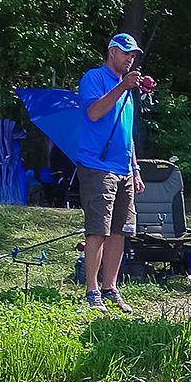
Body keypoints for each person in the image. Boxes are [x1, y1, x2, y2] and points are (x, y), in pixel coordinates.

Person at [77, 32, 155, 312]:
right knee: (98, 229)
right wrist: (122, 87)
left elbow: (127, 133)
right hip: (98, 167)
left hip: (124, 169)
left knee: (121, 231)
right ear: (112, 52)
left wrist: (135, 167)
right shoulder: (94, 78)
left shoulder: (128, 89)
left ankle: (111, 286)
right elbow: (94, 113)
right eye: (126, 53)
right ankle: (92, 290)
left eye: (133, 55)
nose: (130, 59)